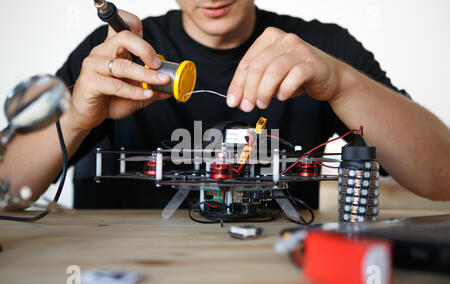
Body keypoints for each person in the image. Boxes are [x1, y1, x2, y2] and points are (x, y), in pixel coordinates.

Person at [0, 0, 449, 210]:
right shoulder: (116, 55)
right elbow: (6, 188)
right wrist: (78, 118)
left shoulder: (323, 51)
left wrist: (343, 85)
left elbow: (443, 176)